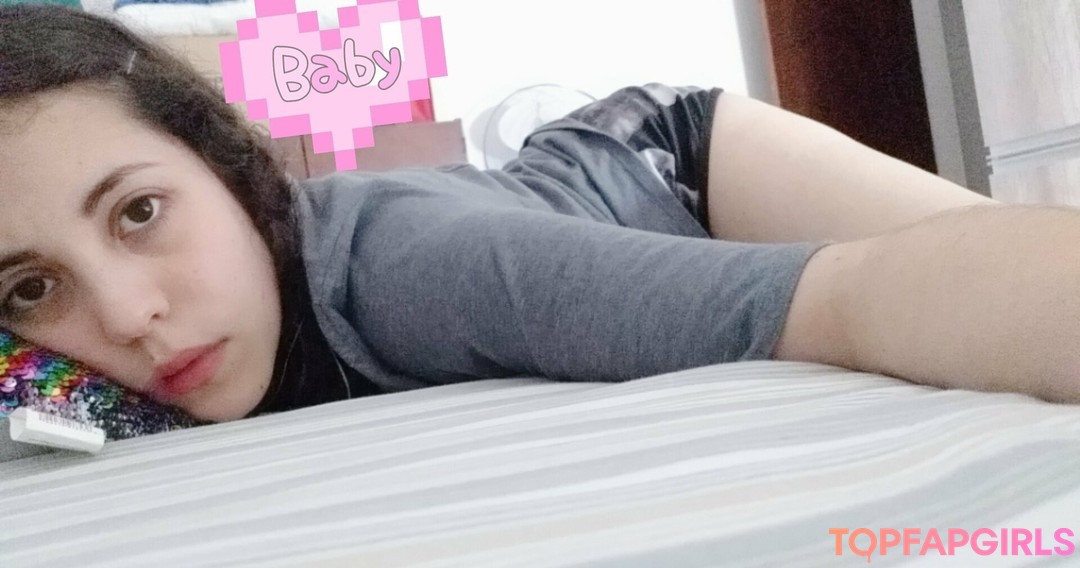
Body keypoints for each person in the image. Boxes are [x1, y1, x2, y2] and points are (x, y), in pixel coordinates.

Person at [1, 6, 1073, 426]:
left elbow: (844, 298)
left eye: (140, 212)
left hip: (681, 161)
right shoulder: (54, 374)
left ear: (230, 169)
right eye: (33, 285)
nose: (127, 317)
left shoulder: (416, 268)